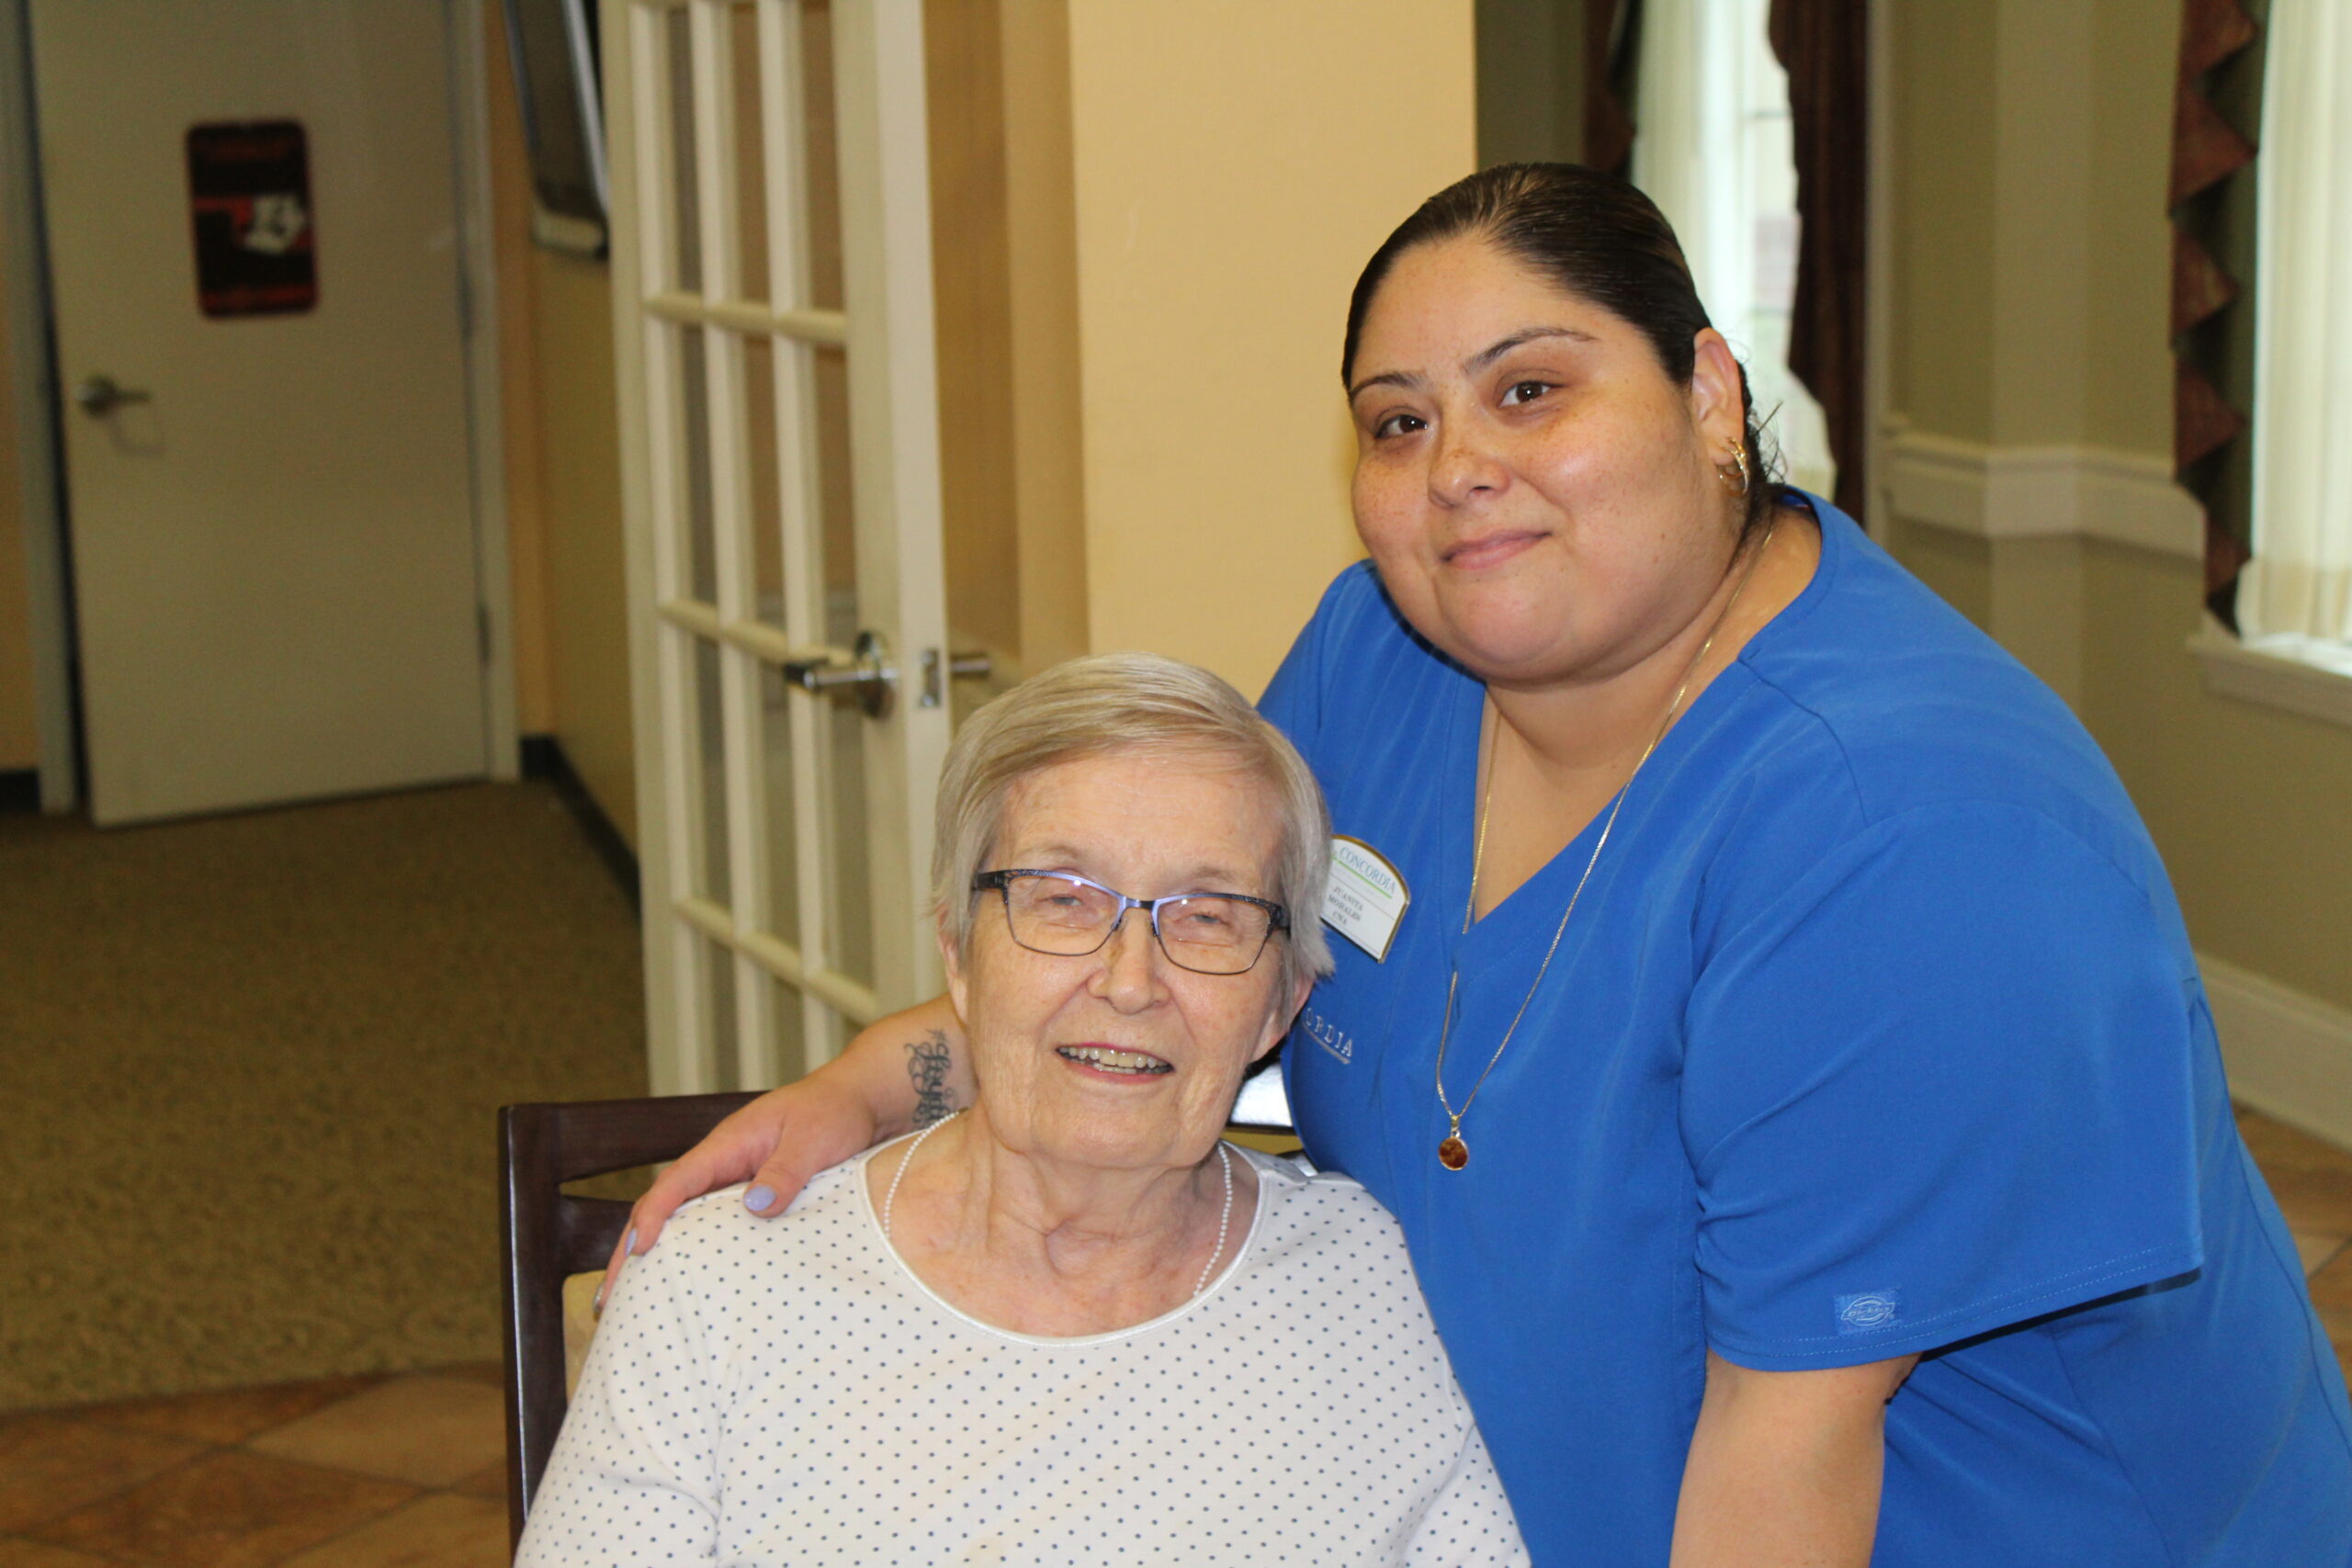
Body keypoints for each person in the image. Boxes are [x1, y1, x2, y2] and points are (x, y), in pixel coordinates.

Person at [606, 165, 2352, 1566]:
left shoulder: (1912, 839)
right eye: (1398, 421)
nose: (1463, 474)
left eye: (1532, 389)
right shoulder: (1381, 661)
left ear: (1710, 391)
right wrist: (876, 1080)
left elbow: (1790, 1465)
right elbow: (1204, 976)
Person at [525, 654, 1527, 1566]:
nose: (1129, 980)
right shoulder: (721, 1289)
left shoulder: (1365, 1280)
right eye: (1062, 899)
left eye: (1208, 915)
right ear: (958, 952)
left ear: (1282, 1002)